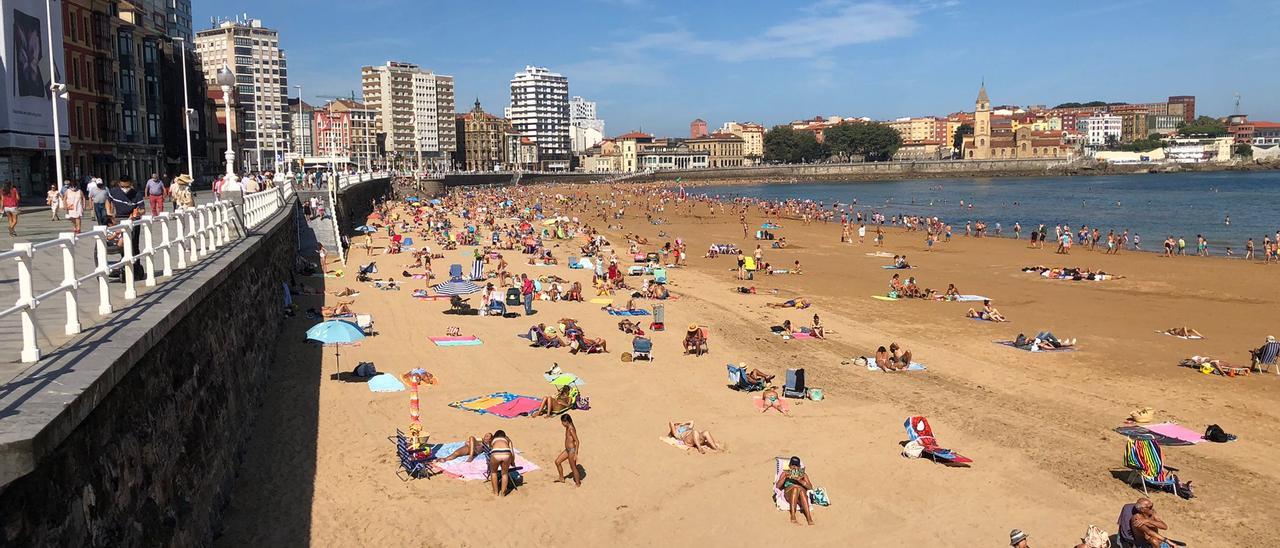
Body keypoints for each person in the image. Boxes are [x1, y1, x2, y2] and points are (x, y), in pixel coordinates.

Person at [775, 456, 814, 525]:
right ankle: (793, 515)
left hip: (801, 495)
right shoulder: (785, 473)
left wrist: (800, 481)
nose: (794, 467)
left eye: (796, 465)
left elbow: (810, 487)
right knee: (796, 489)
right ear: (789, 466)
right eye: (792, 465)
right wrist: (785, 478)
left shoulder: (803, 475)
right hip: (789, 493)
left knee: (800, 490)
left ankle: (809, 517)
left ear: (799, 467)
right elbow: (777, 486)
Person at [554, 414, 582, 487]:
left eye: (562, 422)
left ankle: (578, 483)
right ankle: (561, 478)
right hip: (567, 450)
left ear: (566, 421)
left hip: (572, 451)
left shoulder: (571, 429)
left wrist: (576, 454)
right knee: (557, 462)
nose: (562, 424)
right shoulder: (567, 427)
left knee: (573, 467)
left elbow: (577, 441)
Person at [488, 430, 515, 496]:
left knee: (494, 472)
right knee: (504, 474)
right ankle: (503, 493)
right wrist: (512, 462)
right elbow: (512, 452)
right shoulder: (507, 439)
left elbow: (490, 449)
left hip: (495, 453)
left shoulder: (493, 440)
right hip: (506, 452)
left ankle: (496, 492)